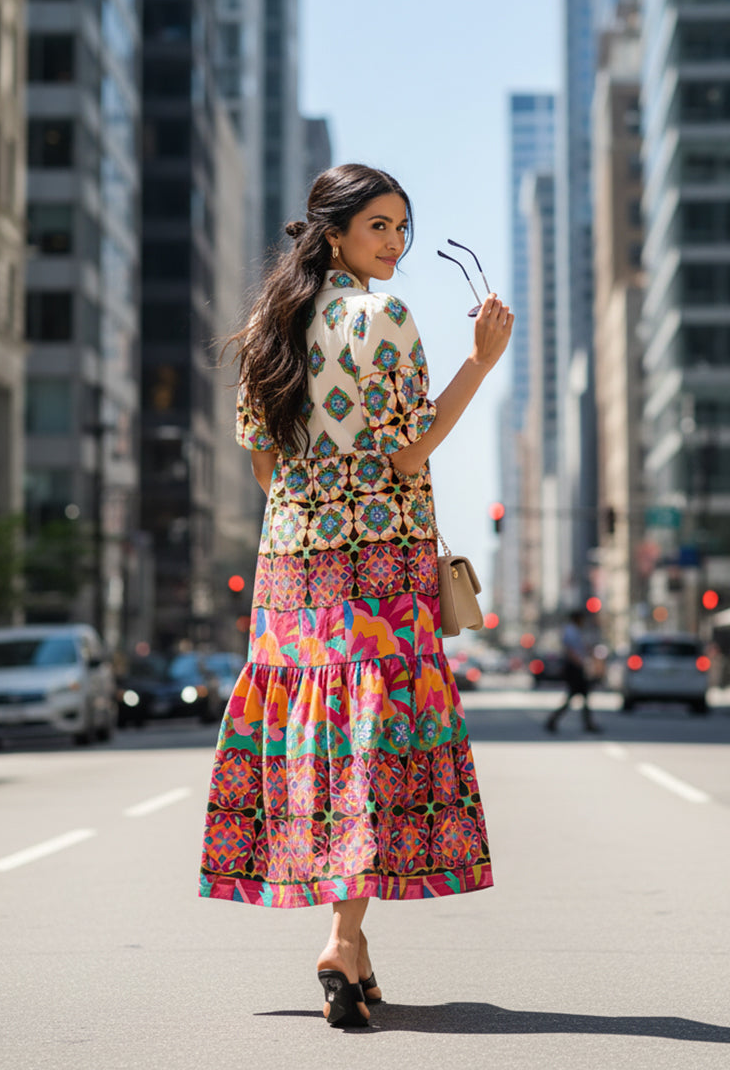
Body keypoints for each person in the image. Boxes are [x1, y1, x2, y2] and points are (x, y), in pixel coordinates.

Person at [199, 164, 514, 1028]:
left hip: (291, 560)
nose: (397, 243)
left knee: (318, 734)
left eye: (403, 227)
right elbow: (410, 454)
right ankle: (342, 937)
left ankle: (356, 947)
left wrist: (310, 501)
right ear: (333, 232)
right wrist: (481, 364)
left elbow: (262, 460)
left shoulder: (272, 323)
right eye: (380, 225)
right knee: (371, 741)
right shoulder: (387, 318)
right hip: (380, 559)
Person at [545, 609, 603, 734]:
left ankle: (555, 720)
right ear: (577, 619)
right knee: (577, 695)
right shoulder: (571, 630)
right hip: (574, 668)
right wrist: (580, 664)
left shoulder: (575, 631)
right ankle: (554, 720)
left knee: (580, 696)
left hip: (576, 667)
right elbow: (570, 650)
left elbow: (581, 647)